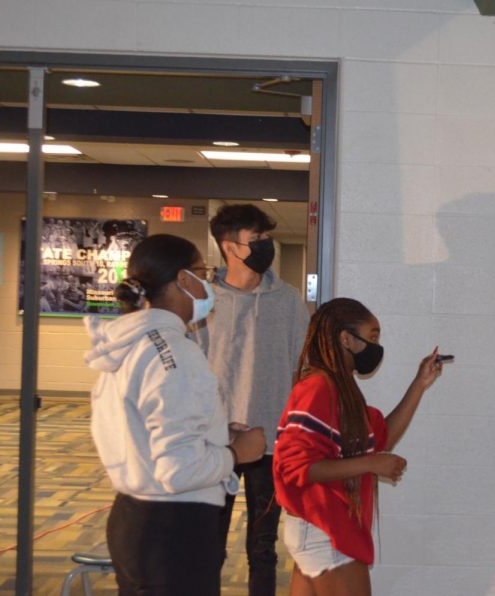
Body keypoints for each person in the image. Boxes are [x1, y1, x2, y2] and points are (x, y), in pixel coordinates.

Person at [84, 233, 266, 595]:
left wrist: (216, 433)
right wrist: (237, 452)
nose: (209, 283)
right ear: (184, 280)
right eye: (204, 272)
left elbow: (144, 432)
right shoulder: (176, 354)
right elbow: (178, 469)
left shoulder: (128, 345)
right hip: (173, 531)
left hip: (132, 520)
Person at [273, 297, 443, 595]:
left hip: (321, 527)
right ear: (346, 339)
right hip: (325, 527)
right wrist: (372, 464)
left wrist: (420, 384)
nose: (377, 346)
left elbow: (381, 438)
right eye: (373, 336)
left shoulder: (340, 388)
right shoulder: (317, 388)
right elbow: (296, 467)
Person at [192, 204, 310, 596]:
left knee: (263, 549)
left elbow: (302, 368)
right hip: (216, 442)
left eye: (266, 238)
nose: (265, 246)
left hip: (271, 443)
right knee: (208, 547)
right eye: (255, 240)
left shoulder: (289, 300)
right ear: (230, 247)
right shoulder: (204, 303)